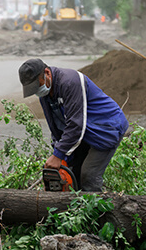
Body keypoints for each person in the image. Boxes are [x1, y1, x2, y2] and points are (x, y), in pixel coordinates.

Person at [18, 58, 128, 192]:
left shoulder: (70, 82)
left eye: (37, 85)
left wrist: (58, 155)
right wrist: (58, 154)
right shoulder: (45, 95)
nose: (37, 91)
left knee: (89, 175)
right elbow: (56, 126)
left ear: (47, 73)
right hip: (86, 131)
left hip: (106, 127)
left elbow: (76, 125)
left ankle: (95, 210)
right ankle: (75, 210)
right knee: (73, 172)